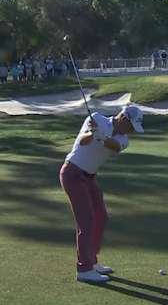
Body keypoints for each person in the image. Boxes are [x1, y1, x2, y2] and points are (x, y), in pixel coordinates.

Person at [60, 105, 144, 283]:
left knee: (101, 216)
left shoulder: (124, 139)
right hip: (72, 173)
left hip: (89, 177)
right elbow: (82, 141)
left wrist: (102, 138)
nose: (132, 132)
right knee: (87, 220)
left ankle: (92, 261)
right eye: (131, 127)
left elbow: (115, 147)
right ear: (123, 118)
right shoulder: (97, 119)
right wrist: (92, 134)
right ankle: (84, 269)